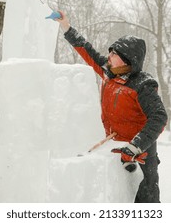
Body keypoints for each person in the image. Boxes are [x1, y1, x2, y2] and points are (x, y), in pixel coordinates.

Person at [55, 10, 167, 203]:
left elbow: (159, 117)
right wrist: (66, 26)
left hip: (141, 151)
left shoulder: (143, 85)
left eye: (114, 54)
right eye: (110, 52)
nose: (109, 56)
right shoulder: (109, 72)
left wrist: (136, 145)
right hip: (115, 145)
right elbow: (87, 50)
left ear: (128, 60)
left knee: (146, 199)